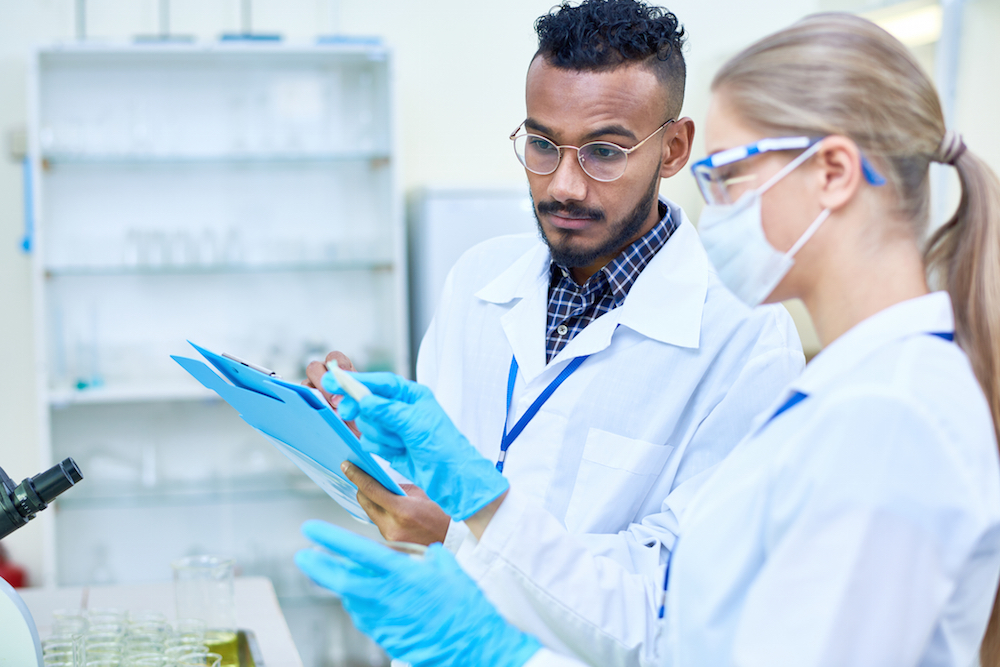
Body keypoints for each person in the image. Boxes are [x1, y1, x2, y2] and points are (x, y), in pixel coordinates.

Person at [296, 11, 1000, 667]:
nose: (715, 209)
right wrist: (453, 498)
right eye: (542, 144)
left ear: (834, 174)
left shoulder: (890, 418)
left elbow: (670, 619)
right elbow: (687, 623)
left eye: (727, 178)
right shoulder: (854, 393)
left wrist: (501, 650)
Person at [305, 0, 803, 657]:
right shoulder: (478, 280)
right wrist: (360, 440)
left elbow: (675, 600)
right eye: (542, 144)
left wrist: (456, 535)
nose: (563, 184)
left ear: (674, 147)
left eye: (604, 150)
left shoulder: (747, 343)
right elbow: (425, 490)